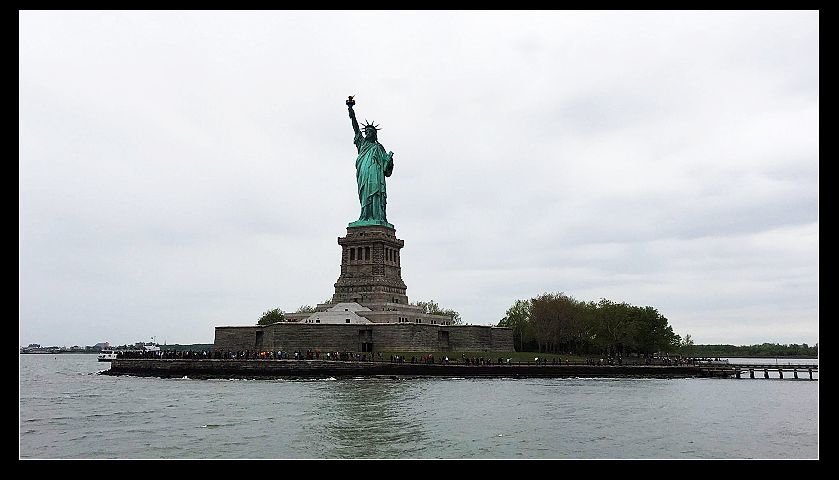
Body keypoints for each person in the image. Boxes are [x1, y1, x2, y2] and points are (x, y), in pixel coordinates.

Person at [347, 99, 395, 228]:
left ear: (374, 134)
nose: (367, 133)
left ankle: (377, 216)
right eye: (366, 132)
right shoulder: (362, 144)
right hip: (364, 173)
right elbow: (355, 128)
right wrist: (351, 110)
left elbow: (387, 169)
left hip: (376, 175)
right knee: (365, 194)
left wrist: (389, 160)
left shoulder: (379, 147)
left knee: (377, 195)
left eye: (370, 132)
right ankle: (365, 215)